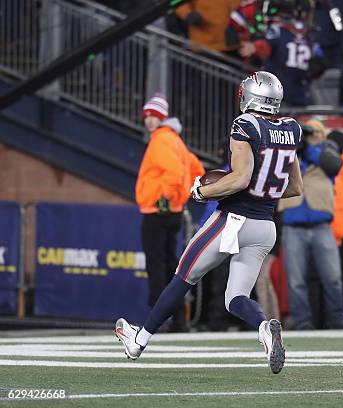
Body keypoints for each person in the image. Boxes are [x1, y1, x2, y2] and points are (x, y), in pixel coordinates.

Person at [116, 71, 303, 375]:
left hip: (233, 219)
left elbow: (240, 179)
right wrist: (262, 187)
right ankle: (264, 328)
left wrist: (202, 192)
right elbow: (295, 188)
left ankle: (139, 340)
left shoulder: (245, 124)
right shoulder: (292, 130)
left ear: (252, 95)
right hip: (265, 226)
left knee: (183, 276)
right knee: (236, 298)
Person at [135, 93, 204, 333]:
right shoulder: (175, 139)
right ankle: (178, 320)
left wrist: (165, 198)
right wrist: (181, 197)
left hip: (158, 211)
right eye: (147, 116)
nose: (149, 120)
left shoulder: (161, 140)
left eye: (154, 116)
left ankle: (159, 318)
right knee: (171, 267)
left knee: (157, 266)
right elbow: (196, 168)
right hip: (173, 212)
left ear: (162, 118)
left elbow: (174, 173)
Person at [278, 120, 343, 330]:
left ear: (322, 135)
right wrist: (296, 145)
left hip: (321, 225)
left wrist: (309, 146)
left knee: (333, 277)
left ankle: (337, 318)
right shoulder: (288, 152)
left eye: (315, 132)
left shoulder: (327, 150)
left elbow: (333, 166)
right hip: (293, 225)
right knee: (295, 279)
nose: (311, 135)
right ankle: (302, 321)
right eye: (307, 132)